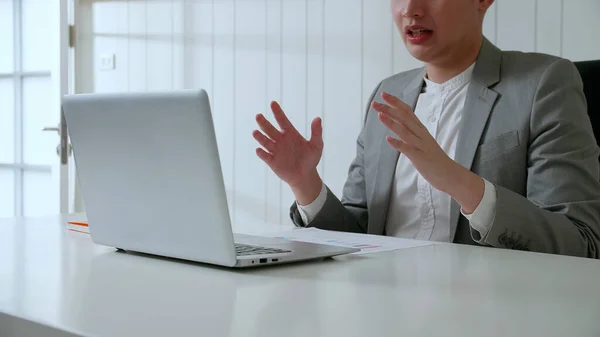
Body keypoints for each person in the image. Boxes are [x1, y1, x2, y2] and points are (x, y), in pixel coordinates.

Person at [252, 0, 600, 258]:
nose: (410, 9)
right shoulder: (387, 96)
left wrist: (456, 180)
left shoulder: (543, 84)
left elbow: (581, 243)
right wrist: (305, 183)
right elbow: (357, 235)